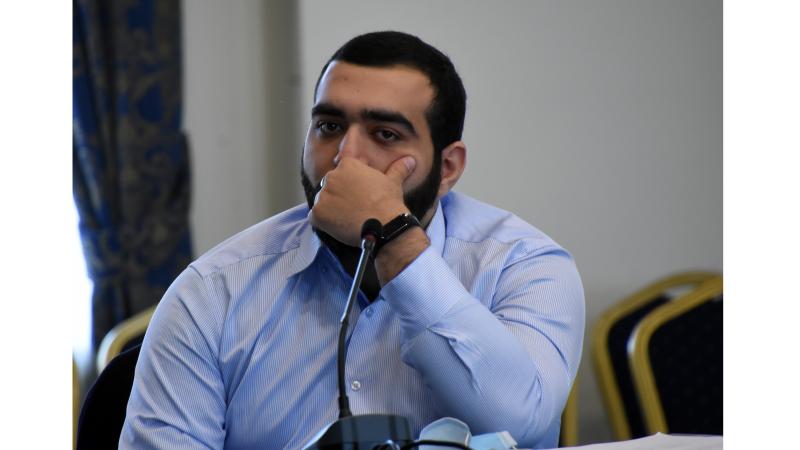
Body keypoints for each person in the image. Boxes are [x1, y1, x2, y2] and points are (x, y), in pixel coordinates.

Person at [120, 31, 584, 449]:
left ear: (447, 168)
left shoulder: (525, 266)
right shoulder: (212, 292)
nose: (346, 157)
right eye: (329, 127)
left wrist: (396, 241)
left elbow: (519, 427)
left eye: (385, 134)